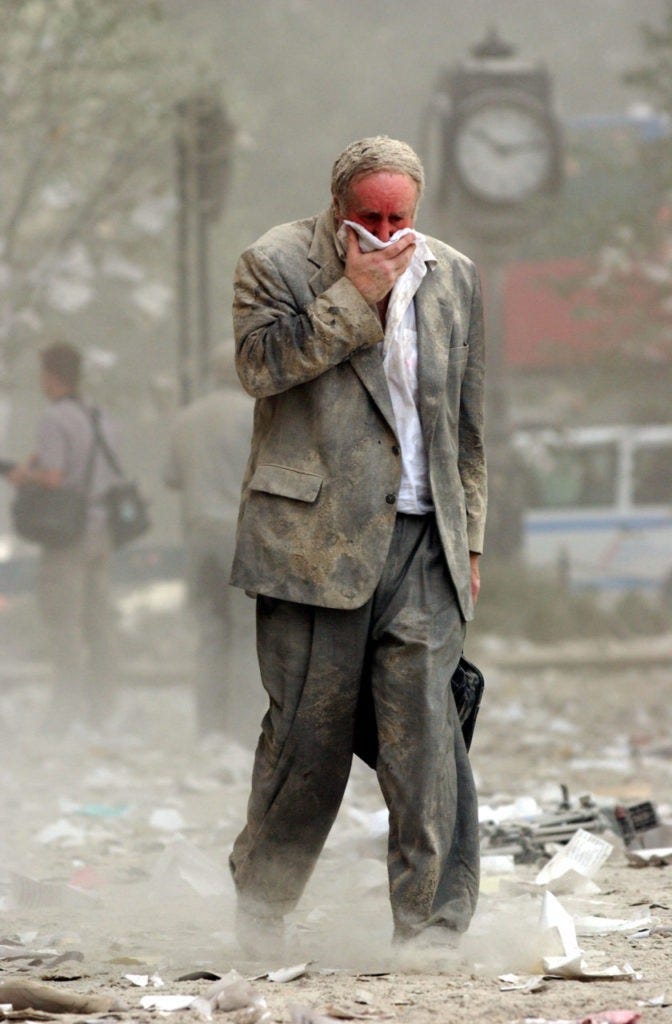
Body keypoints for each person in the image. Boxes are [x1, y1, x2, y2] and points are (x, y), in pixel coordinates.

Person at [228, 136, 487, 952]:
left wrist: (469, 541)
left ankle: (434, 926)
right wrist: (354, 296)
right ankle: (262, 908)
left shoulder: (453, 276)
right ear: (338, 206)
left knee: (426, 735)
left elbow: (466, 431)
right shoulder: (274, 262)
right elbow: (259, 368)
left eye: (398, 216)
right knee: (309, 737)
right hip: (311, 543)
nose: (384, 230)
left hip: (424, 537)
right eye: (368, 216)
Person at [8, 342, 120, 731]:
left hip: (67, 537)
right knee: (99, 624)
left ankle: (64, 711)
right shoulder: (98, 415)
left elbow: (55, 478)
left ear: (50, 377)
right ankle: (102, 709)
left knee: (64, 626)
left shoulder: (54, 417)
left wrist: (22, 476)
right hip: (100, 530)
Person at [164, 344, 256, 739]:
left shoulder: (186, 418)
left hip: (199, 535)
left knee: (211, 632)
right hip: (239, 534)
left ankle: (208, 728)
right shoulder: (254, 414)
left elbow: (170, 478)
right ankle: (242, 728)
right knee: (245, 631)